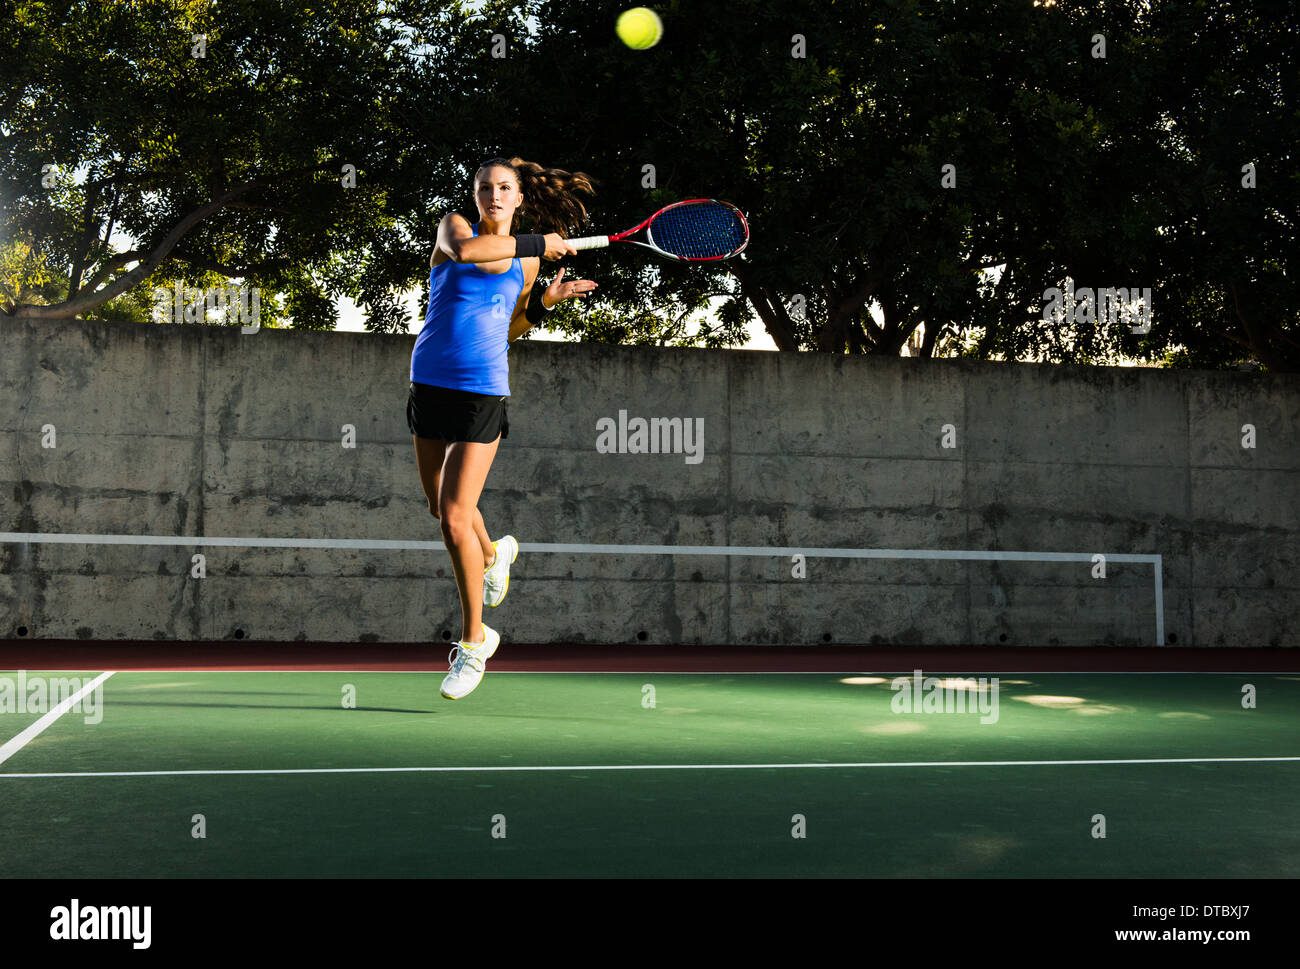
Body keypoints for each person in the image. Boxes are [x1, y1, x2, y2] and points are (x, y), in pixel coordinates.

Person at [408, 156, 597, 699]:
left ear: (518, 198)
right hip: (429, 384)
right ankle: (493, 555)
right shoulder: (455, 230)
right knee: (439, 507)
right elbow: (473, 255)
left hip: (482, 392)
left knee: (452, 519)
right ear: (474, 195)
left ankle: (475, 643)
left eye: (504, 188)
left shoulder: (528, 263)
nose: (494, 194)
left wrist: (543, 306)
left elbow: (508, 327)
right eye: (485, 187)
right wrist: (539, 243)